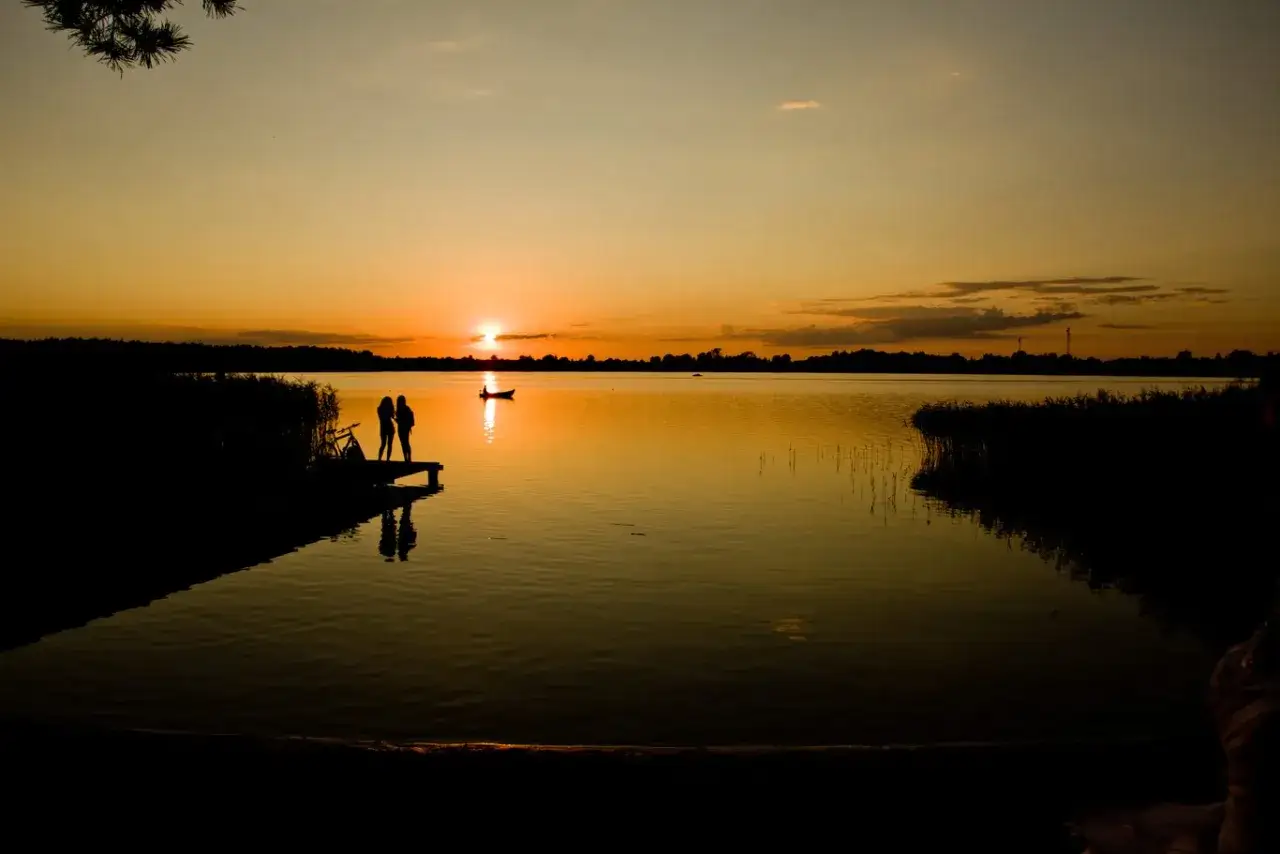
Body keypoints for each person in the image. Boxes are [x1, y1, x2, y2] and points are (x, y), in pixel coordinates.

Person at [395, 394, 415, 462]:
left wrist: (396, 419)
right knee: (404, 443)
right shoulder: (404, 409)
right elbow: (400, 420)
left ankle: (408, 458)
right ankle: (407, 458)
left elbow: (400, 420)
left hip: (403, 428)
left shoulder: (405, 409)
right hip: (403, 428)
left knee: (405, 443)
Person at [376, 395, 395, 461]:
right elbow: (392, 416)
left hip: (385, 427)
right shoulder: (381, 409)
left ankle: (381, 459)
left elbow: (392, 416)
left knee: (384, 444)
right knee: (387, 444)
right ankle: (386, 459)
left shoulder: (379, 409)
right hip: (387, 427)